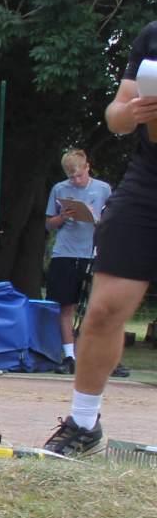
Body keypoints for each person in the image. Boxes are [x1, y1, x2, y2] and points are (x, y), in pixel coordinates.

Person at [43, 24, 157, 456]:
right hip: (149, 184)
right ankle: (84, 426)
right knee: (105, 308)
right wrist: (133, 112)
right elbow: (116, 116)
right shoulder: (152, 37)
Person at [42, 149, 121, 375]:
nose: (76, 181)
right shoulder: (59, 189)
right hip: (65, 253)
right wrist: (63, 216)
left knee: (98, 307)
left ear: (88, 167)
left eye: (79, 175)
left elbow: (112, 220)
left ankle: (98, 358)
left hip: (93, 253)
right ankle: (69, 356)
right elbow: (48, 224)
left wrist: (98, 219)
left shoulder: (103, 188)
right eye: (72, 177)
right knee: (66, 305)